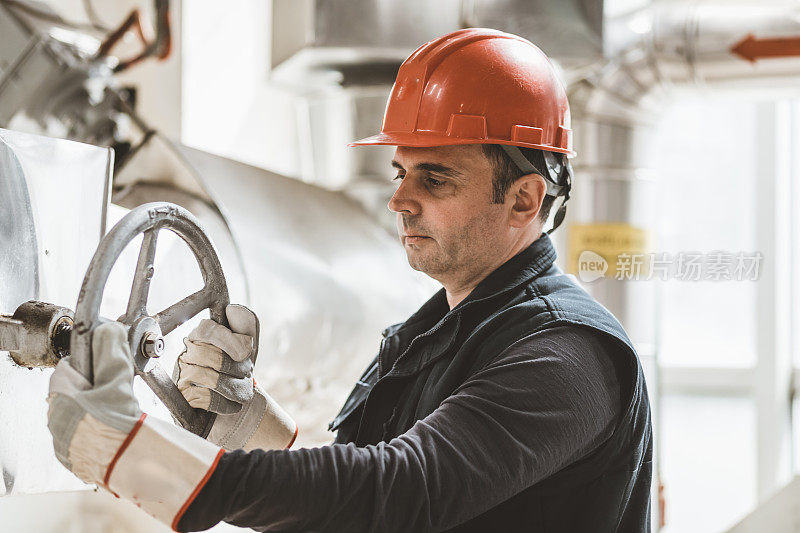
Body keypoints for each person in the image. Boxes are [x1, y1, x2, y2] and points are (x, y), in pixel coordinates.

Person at [46, 28, 652, 532]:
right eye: (400, 171)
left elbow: (399, 493)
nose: (399, 200)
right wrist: (248, 428)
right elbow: (357, 487)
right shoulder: (432, 335)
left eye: (435, 178)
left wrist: (133, 455)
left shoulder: (568, 357)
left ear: (524, 198)